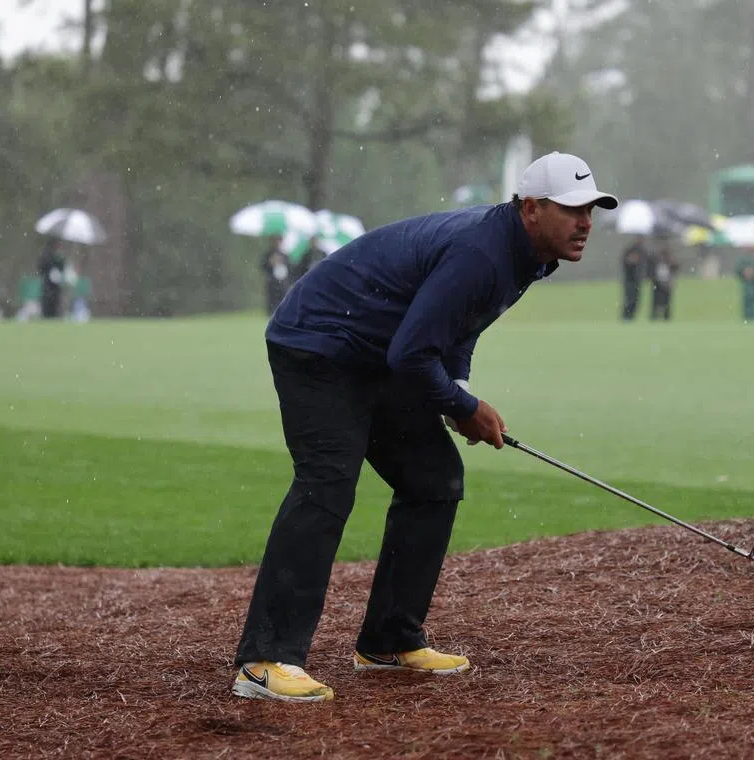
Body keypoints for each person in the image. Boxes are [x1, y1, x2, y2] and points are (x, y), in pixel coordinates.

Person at [230, 152, 618, 703]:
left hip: (375, 353)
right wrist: (463, 405)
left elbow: (458, 327)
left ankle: (389, 640)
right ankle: (265, 660)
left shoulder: (528, 253)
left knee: (432, 478)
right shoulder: (483, 252)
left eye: (592, 210)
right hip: (317, 345)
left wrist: (455, 388)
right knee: (327, 484)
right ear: (531, 208)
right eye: (573, 209)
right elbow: (413, 352)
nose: (586, 223)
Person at [648, 241, 679, 321]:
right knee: (655, 301)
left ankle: (666, 317)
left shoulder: (669, 258)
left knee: (667, 301)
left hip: (667, 282)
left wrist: (673, 263)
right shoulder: (655, 258)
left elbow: (675, 268)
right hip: (657, 282)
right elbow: (650, 269)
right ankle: (654, 317)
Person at [260, 235, 291, 315]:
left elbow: (290, 268)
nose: (276, 243)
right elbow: (262, 267)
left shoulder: (284, 255)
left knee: (283, 302)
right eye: (274, 241)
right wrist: (270, 263)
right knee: (272, 303)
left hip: (283, 283)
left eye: (278, 241)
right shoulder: (268, 254)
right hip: (272, 282)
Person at [37, 238, 66, 319]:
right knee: (47, 303)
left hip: (55, 286)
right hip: (48, 285)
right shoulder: (46, 255)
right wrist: (51, 269)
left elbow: (62, 268)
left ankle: (54, 316)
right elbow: (41, 268)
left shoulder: (59, 256)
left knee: (55, 303)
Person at [620, 235, 648, 320]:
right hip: (630, 279)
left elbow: (644, 264)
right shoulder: (630, 249)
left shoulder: (642, 250)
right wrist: (631, 261)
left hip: (637, 279)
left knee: (636, 300)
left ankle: (631, 317)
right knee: (629, 299)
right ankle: (626, 317)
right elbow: (624, 262)